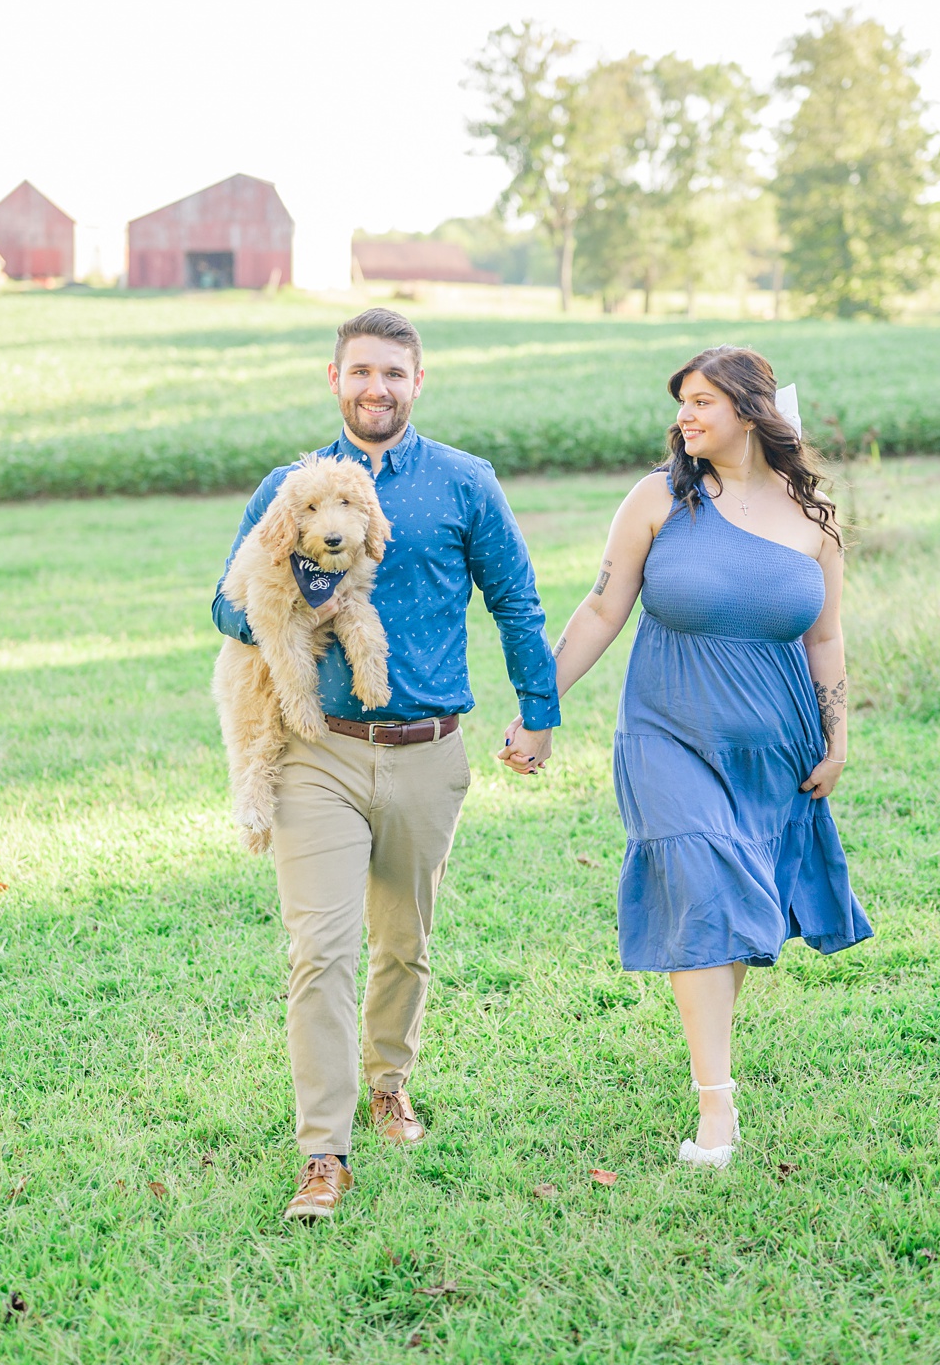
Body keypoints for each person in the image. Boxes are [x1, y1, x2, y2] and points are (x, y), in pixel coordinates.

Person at [212, 307, 556, 1223]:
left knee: (404, 942)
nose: (377, 388)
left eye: (393, 374)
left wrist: (541, 711)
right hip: (315, 751)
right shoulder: (287, 488)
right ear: (335, 379)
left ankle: (389, 1082)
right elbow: (224, 603)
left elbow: (516, 599)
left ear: (416, 381)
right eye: (360, 371)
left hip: (427, 752)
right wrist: (288, 610)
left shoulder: (463, 483)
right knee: (320, 949)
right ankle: (323, 1151)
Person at [513, 345, 867, 1168]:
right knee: (703, 880)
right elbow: (602, 610)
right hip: (666, 734)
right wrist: (540, 710)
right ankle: (718, 1109)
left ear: (751, 410)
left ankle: (715, 1072)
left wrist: (838, 735)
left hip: (773, 744)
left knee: (728, 912)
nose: (685, 416)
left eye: (703, 401)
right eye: (682, 401)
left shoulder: (813, 518)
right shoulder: (658, 500)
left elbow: (826, 634)